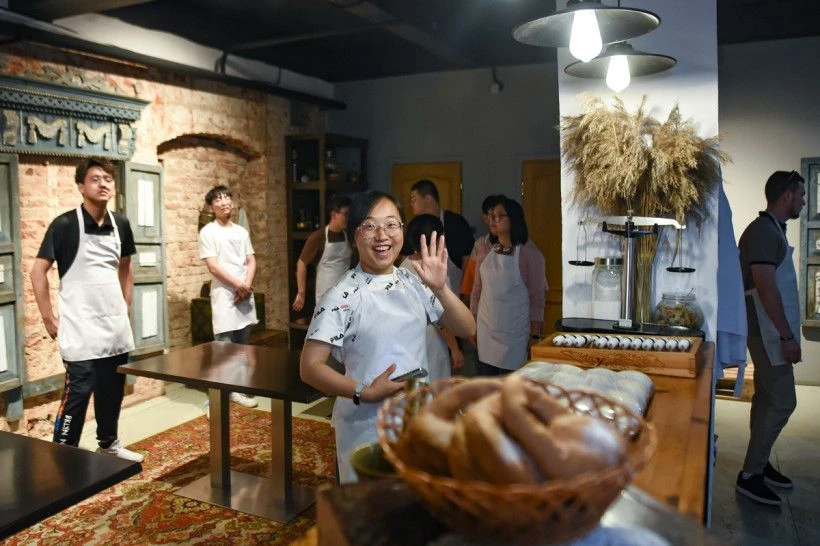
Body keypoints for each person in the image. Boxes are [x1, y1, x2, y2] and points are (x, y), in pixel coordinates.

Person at [300, 191, 476, 483]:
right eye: (370, 226)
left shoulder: (412, 282)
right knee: (372, 504)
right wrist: (364, 391)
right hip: (365, 425)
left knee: (412, 500)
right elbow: (310, 367)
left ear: (402, 231)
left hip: (414, 418)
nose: (382, 235)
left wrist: (441, 288)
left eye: (391, 224)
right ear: (354, 236)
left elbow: (466, 328)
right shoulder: (342, 294)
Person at [30, 157, 143, 462]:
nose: (103, 184)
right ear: (81, 186)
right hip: (79, 328)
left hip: (114, 328)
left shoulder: (121, 224)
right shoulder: (65, 225)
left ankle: (109, 444)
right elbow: (38, 272)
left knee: (112, 390)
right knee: (78, 394)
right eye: (95, 179)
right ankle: (63, 454)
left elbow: (125, 268)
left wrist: (125, 305)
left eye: (108, 178)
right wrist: (48, 318)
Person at [735, 170, 805, 506]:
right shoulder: (763, 231)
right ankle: (750, 475)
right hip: (767, 330)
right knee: (783, 400)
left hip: (770, 329)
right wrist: (786, 335)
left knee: (766, 397)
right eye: (801, 195)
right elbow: (765, 287)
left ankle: (758, 465)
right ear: (787, 195)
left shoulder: (772, 229)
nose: (803, 201)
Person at [470, 196, 546, 376]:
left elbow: (537, 299)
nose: (493, 220)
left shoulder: (530, 255)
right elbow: (477, 291)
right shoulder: (484, 250)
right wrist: (472, 325)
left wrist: (535, 335)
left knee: (510, 387)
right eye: (491, 216)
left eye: (499, 216)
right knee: (486, 385)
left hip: (514, 336)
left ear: (513, 218)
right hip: (485, 331)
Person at [199, 184, 259, 408]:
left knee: (242, 347)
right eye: (218, 199)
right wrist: (238, 285)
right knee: (223, 348)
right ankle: (215, 399)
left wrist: (246, 285)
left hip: (244, 294)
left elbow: (251, 260)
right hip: (225, 294)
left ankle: (237, 390)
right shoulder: (208, 232)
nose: (224, 202)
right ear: (211, 206)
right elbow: (213, 266)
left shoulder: (241, 231)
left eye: (226, 198)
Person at [400, 214, 464, 380]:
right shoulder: (433, 270)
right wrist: (455, 349)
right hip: (432, 341)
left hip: (409, 342)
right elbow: (440, 320)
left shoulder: (403, 266)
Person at [409, 179, 474, 293]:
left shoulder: (456, 222)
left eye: (414, 199)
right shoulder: (413, 225)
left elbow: (467, 259)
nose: (411, 204)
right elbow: (407, 254)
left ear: (428, 199)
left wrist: (466, 292)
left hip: (453, 290)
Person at [292, 195, 352, 312]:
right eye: (345, 214)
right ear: (334, 214)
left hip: (346, 294)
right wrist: (301, 293)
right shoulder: (318, 237)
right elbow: (301, 264)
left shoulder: (349, 236)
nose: (348, 218)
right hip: (326, 296)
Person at [460, 194, 502, 302]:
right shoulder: (480, 246)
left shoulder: (521, 246)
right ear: (485, 219)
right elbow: (469, 288)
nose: (498, 220)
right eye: (493, 216)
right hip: (484, 308)